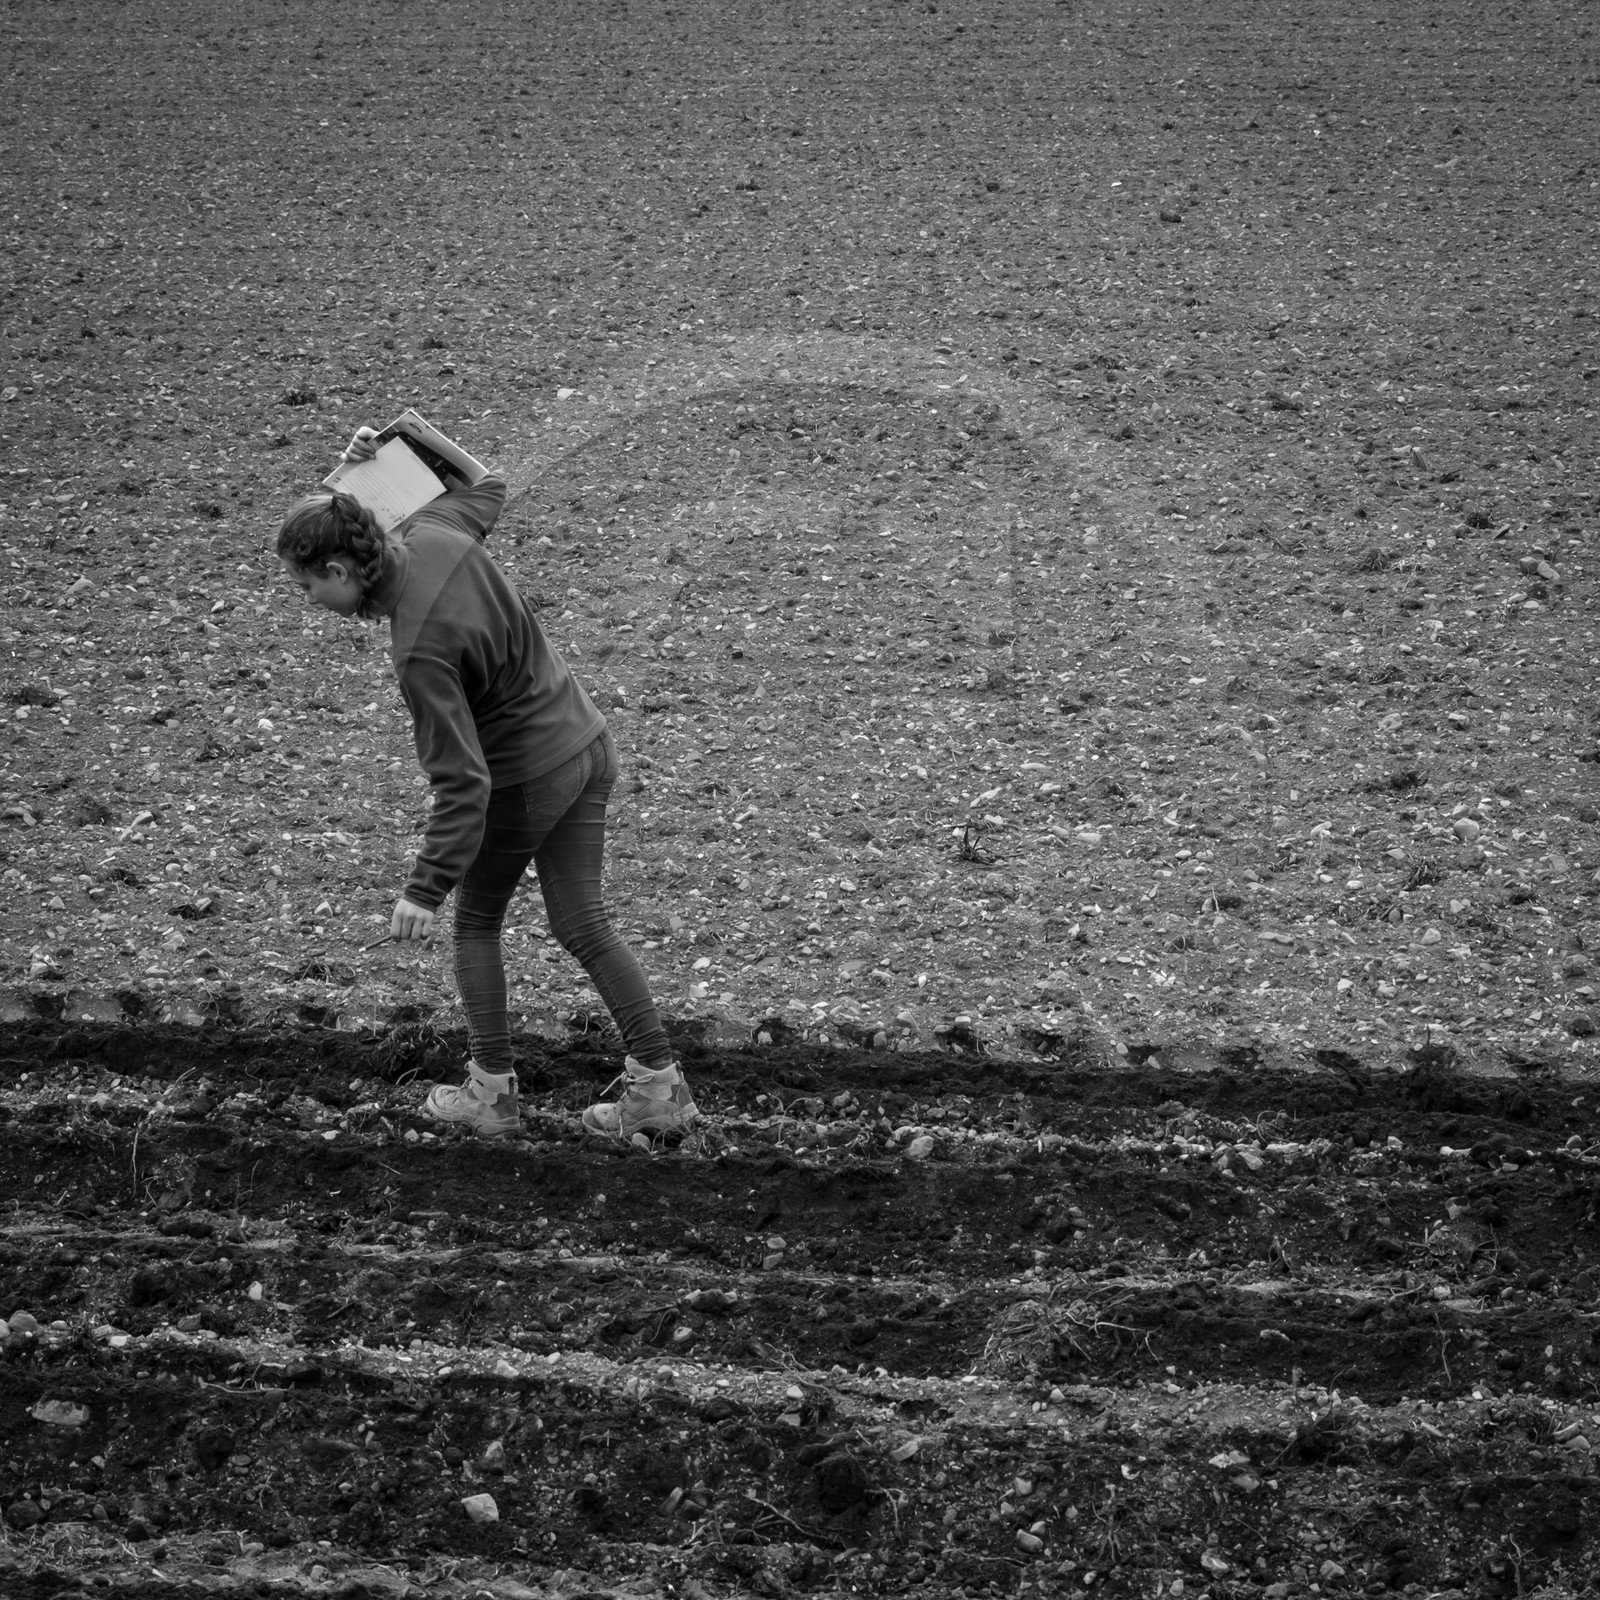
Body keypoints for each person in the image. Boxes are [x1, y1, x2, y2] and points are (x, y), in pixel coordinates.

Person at [276, 423, 699, 1141]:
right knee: (583, 924)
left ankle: (491, 1095)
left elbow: (464, 781)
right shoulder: (433, 531)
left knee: (475, 921)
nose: (308, 597)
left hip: (531, 774)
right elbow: (484, 482)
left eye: (308, 582)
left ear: (343, 571)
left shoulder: (419, 648)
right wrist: (395, 446)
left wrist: (424, 886)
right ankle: (658, 1088)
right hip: (587, 744)